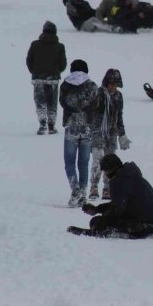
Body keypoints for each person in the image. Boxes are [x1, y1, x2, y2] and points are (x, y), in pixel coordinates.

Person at [67, 154, 153, 239]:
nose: (106, 175)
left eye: (105, 171)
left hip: (143, 225)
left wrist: (103, 219)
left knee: (97, 222)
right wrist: (97, 209)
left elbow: (117, 209)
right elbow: (119, 203)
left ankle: (116, 232)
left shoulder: (120, 180)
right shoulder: (129, 175)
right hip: (151, 222)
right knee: (98, 221)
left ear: (111, 169)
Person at [59, 60, 98, 207]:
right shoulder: (92, 85)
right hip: (87, 127)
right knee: (84, 163)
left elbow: (62, 102)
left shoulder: (65, 85)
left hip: (71, 126)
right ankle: (83, 193)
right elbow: (96, 103)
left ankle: (75, 190)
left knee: (69, 162)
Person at [90, 69, 132, 200]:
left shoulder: (119, 97)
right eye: (111, 84)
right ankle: (94, 186)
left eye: (116, 84)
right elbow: (92, 109)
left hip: (112, 133)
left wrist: (122, 134)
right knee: (98, 159)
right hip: (98, 131)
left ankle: (107, 188)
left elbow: (119, 116)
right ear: (106, 83)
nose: (113, 87)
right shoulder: (99, 93)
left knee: (111, 161)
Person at [26, 21, 67, 135]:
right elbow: (63, 64)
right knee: (52, 103)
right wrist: (56, 71)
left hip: (38, 78)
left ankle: (42, 124)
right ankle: (52, 126)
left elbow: (29, 60)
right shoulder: (60, 46)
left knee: (40, 102)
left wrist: (34, 71)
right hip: (53, 79)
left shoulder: (35, 44)